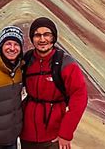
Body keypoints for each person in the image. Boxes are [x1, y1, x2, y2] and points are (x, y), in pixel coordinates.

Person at [20, 17, 88, 149]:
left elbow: (79, 97)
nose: (42, 39)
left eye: (47, 34)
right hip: (27, 135)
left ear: (54, 37)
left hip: (54, 137)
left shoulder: (65, 63)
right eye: (37, 35)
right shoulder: (27, 60)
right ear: (32, 38)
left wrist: (65, 134)